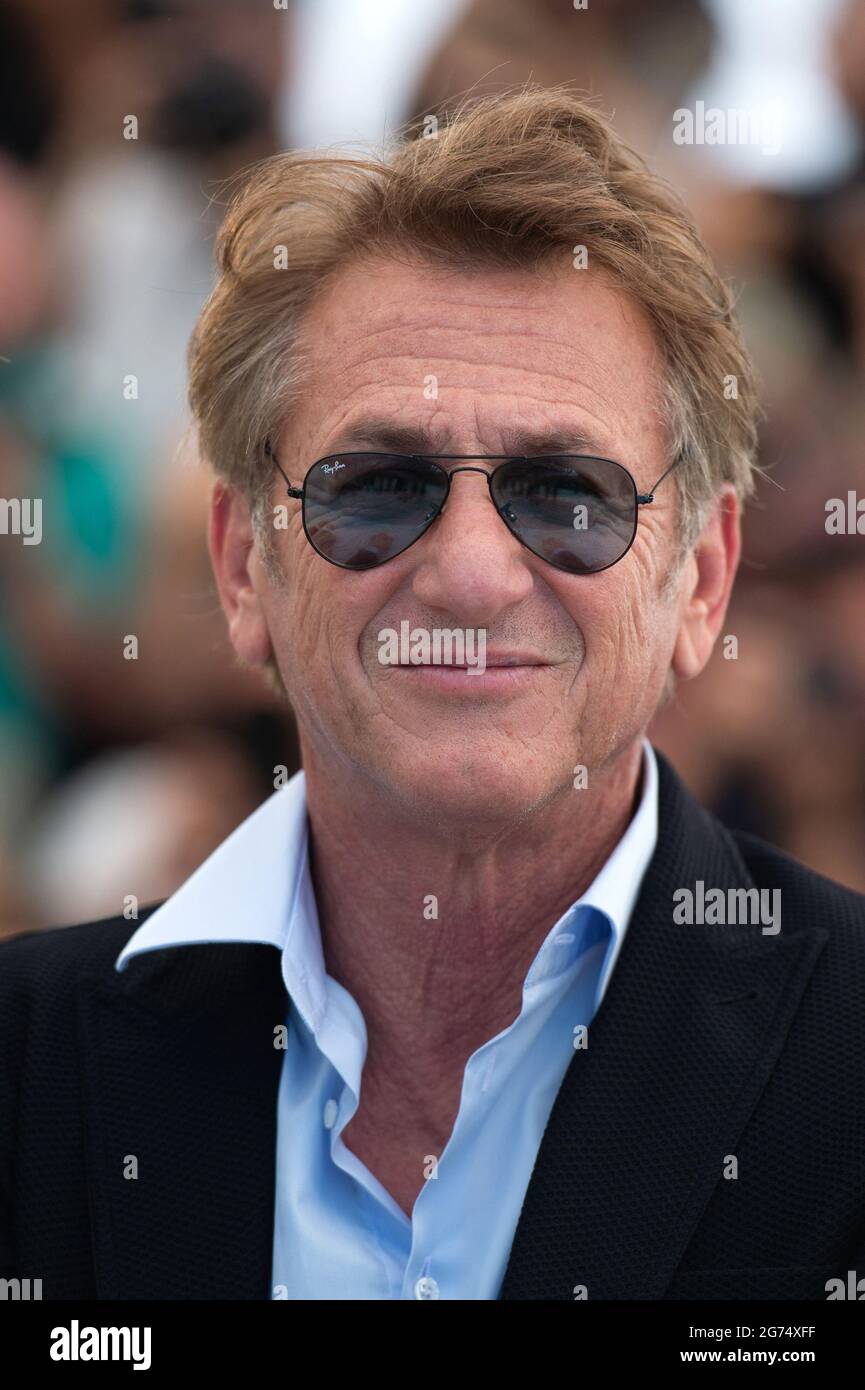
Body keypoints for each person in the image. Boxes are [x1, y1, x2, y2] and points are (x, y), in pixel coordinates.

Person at [2, 87, 864, 1302]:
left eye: (568, 494)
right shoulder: (23, 1071)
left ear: (703, 581)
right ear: (245, 566)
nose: (467, 572)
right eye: (378, 487)